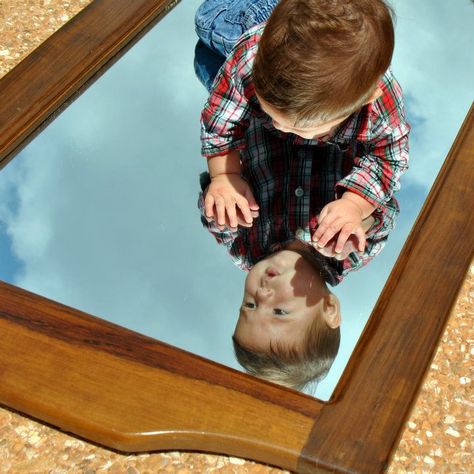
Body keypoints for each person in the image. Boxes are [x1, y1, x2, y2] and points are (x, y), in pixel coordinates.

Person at [195, 0, 410, 391]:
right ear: (329, 309)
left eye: (248, 307)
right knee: (212, 28)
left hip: (248, 74)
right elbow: (388, 169)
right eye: (279, 309)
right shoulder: (352, 250)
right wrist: (355, 205)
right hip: (256, 47)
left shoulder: (244, 248)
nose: (262, 293)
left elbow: (212, 205)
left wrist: (223, 182)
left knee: (205, 56)